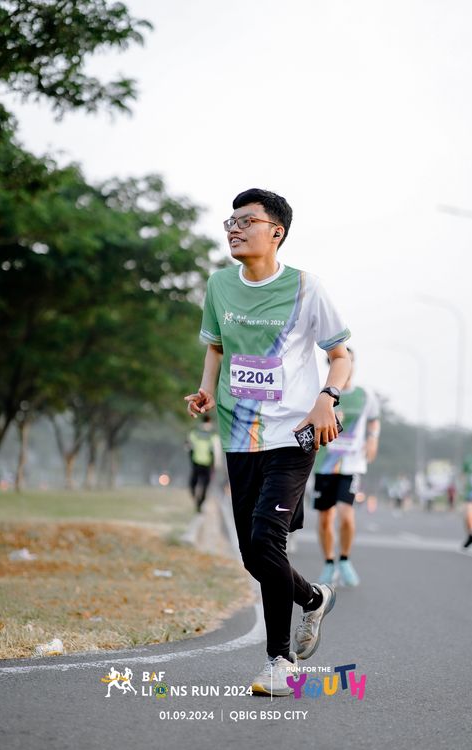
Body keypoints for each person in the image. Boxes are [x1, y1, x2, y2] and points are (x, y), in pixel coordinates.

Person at [184, 188, 351, 696]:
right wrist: (206, 389)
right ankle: (314, 598)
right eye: (230, 221)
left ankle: (280, 662)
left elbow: (341, 356)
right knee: (253, 557)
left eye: (246, 221)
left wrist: (327, 398)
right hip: (238, 435)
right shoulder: (219, 285)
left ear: (275, 232)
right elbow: (216, 347)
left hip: (294, 435)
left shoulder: (305, 287)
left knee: (265, 542)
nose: (234, 229)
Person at [313, 348, 380, 587]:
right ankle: (329, 563)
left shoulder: (364, 395)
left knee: (346, 515)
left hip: (352, 464)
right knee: (325, 518)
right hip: (324, 464)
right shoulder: (320, 393)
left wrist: (372, 439)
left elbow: (374, 419)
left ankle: (344, 559)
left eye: (350, 361)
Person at [186, 415, 216, 512]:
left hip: (196, 463)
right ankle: (200, 503)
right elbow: (216, 451)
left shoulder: (194, 432)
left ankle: (195, 498)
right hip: (207, 464)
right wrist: (215, 465)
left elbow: (188, 446)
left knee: (192, 484)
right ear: (210, 422)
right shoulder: (213, 435)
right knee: (205, 486)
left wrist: (191, 458)